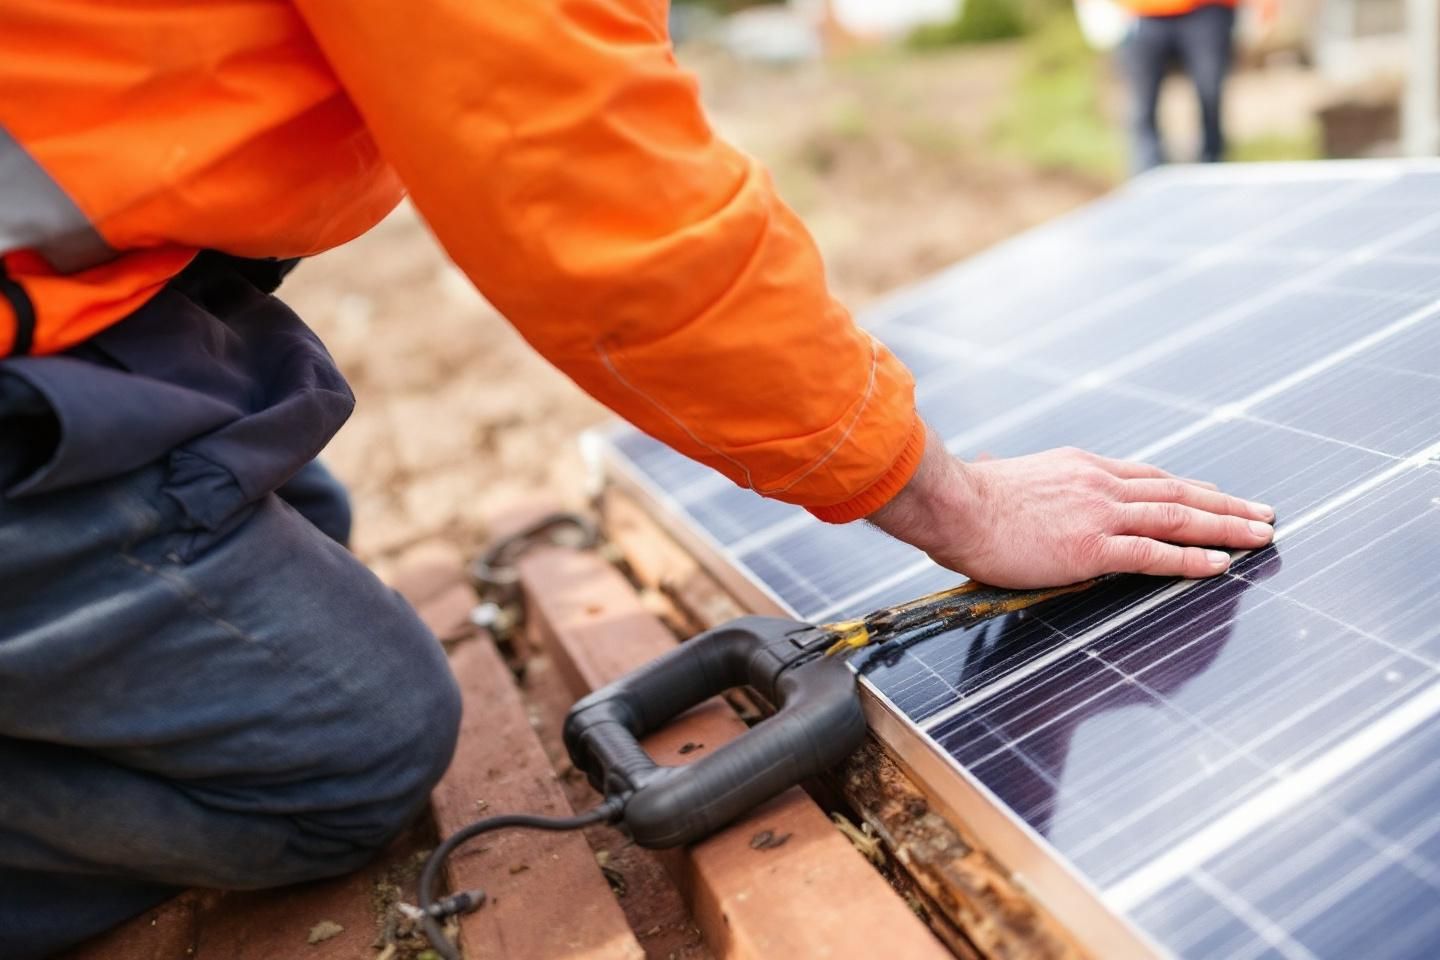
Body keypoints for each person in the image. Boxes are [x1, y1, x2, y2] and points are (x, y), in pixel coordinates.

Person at [0, 3, 1275, 956]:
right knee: (349, 755)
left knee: (299, 548)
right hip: (40, 357)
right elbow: (595, 197)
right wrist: (949, 499)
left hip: (127, 316)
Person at [1117, 0, 1248, 171]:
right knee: (1142, 105)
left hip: (1209, 10)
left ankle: (1212, 164)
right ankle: (1147, 173)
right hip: (1141, 12)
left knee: (1211, 94)